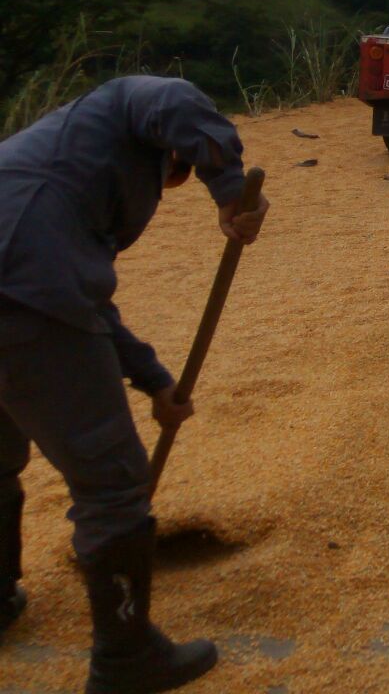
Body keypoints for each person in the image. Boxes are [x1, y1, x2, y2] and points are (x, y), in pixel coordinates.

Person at [0, 76, 268, 693]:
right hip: (24, 291)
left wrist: (155, 382)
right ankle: (126, 656)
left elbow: (84, 302)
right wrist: (230, 189)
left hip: (26, 288)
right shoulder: (122, 104)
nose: (173, 184)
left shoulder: (55, 169)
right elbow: (172, 97)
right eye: (176, 173)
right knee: (114, 483)